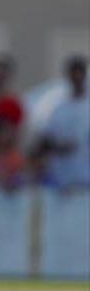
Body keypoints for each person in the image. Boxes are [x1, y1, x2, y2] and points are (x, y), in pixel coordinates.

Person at [36, 56, 89, 190]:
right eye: (73, 72)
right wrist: (59, 146)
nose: (77, 76)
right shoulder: (58, 108)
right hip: (62, 180)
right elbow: (46, 141)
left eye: (80, 72)